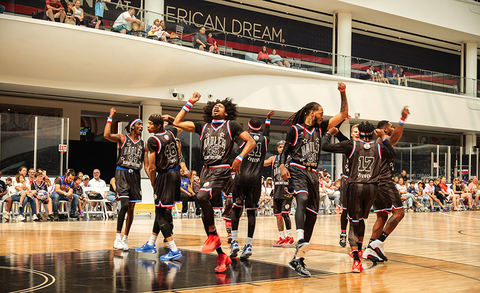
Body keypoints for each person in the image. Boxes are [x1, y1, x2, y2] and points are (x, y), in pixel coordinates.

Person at [173, 92, 256, 273]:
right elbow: (177, 122)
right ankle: (221, 255)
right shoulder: (203, 126)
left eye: (220, 106)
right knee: (204, 213)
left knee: (201, 196)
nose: (216, 107)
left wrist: (240, 158)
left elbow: (250, 142)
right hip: (205, 171)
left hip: (222, 169)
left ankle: (212, 236)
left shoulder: (231, 125)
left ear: (226, 113)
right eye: (214, 106)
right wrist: (190, 103)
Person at [280, 82, 349, 277]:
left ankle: (298, 259)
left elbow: (343, 114)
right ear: (312, 112)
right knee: (301, 199)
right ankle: (300, 238)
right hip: (297, 168)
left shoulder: (321, 129)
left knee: (312, 215)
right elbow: (285, 152)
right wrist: (282, 166)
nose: (323, 115)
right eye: (321, 112)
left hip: (313, 174)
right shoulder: (295, 130)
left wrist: (343, 94)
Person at [322, 121, 396, 273]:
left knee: (353, 222)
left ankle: (356, 260)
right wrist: (383, 137)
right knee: (361, 220)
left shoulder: (352, 145)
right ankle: (361, 251)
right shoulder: (379, 147)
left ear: (359, 132)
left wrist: (329, 134)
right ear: (372, 133)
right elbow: (393, 154)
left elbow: (325, 146)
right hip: (372, 188)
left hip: (356, 186)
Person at [363, 107, 410, 263]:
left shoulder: (377, 143)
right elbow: (395, 138)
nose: (392, 129)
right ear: (384, 129)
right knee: (399, 214)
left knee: (382, 216)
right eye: (390, 126)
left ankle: (369, 248)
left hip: (376, 183)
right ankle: (377, 243)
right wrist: (402, 120)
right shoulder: (382, 142)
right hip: (384, 182)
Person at [136, 114, 182, 260]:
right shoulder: (170, 133)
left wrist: (153, 182)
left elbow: (152, 167)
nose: (148, 126)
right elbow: (180, 125)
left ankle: (174, 249)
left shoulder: (153, 140)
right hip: (176, 174)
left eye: (150, 124)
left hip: (165, 176)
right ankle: (151, 243)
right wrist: (172, 118)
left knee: (161, 215)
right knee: (160, 210)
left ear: (157, 126)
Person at [230, 110, 273, 260]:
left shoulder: (244, 139)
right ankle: (248, 245)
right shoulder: (265, 140)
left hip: (241, 178)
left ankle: (234, 241)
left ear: (248, 128)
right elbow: (266, 134)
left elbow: (233, 133)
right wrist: (268, 120)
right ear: (259, 128)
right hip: (256, 180)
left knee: (236, 208)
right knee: (251, 212)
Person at [104, 108, 147, 251]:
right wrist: (110, 117)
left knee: (131, 208)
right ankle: (117, 237)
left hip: (135, 175)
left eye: (142, 125)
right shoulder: (123, 138)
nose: (141, 127)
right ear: (133, 126)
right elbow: (106, 134)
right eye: (139, 124)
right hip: (122, 173)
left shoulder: (143, 144)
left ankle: (125, 239)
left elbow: (146, 164)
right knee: (124, 204)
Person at [264, 140, 294, 247]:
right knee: (278, 216)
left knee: (285, 214)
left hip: (287, 190)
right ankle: (282, 237)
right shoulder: (273, 159)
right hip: (276, 190)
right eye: (279, 147)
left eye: (283, 147)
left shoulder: (291, 158)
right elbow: (263, 163)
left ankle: (290, 237)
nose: (281, 148)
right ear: (277, 148)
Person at [338, 123, 360, 247]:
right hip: (346, 180)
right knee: (345, 210)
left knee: (356, 211)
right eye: (355, 131)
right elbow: (338, 134)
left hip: (358, 181)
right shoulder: (347, 144)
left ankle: (353, 235)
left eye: (359, 132)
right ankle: (342, 234)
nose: (357, 133)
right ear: (351, 133)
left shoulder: (363, 147)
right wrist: (341, 120)